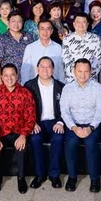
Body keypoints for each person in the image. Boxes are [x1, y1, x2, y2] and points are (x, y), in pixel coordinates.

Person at [0, 63, 36, 194]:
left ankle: (21, 178)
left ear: (17, 75)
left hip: (19, 131)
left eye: (12, 75)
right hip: (0, 132)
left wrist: (23, 135)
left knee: (22, 148)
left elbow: (31, 117)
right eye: (6, 75)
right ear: (1, 76)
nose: (9, 78)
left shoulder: (25, 93)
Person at [61, 58, 101, 192]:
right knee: (71, 143)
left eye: (86, 71)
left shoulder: (97, 87)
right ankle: (72, 177)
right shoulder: (67, 88)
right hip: (73, 125)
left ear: (91, 71)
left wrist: (90, 127)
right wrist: (74, 128)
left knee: (91, 144)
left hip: (92, 124)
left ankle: (94, 179)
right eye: (80, 71)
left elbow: (100, 110)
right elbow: (64, 112)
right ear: (74, 71)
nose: (83, 74)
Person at [25, 57, 66, 189]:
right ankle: (40, 175)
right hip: (37, 122)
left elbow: (65, 109)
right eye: (42, 67)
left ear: (53, 69)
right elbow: (24, 108)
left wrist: (60, 122)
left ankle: (54, 175)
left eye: (48, 67)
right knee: (35, 139)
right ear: (37, 69)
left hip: (55, 122)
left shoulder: (61, 87)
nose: (45, 70)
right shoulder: (29, 86)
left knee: (58, 138)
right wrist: (32, 123)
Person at [0, 12, 32, 84]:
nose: (16, 24)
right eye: (13, 21)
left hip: (28, 79)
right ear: (8, 23)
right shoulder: (1, 40)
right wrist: (0, 85)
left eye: (19, 21)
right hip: (9, 81)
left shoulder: (28, 37)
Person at [61, 13, 101, 84]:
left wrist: (87, 75)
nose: (81, 25)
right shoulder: (67, 39)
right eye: (78, 22)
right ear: (74, 24)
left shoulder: (95, 39)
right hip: (72, 80)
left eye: (84, 22)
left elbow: (98, 60)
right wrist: (76, 76)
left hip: (91, 80)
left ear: (88, 24)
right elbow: (66, 60)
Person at [21, 19, 64, 85]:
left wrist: (62, 85)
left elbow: (60, 70)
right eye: (42, 29)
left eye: (48, 29)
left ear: (52, 31)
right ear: (38, 31)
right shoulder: (30, 48)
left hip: (53, 85)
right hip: (34, 86)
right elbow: (25, 70)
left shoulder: (58, 47)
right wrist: (25, 86)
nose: (45, 32)